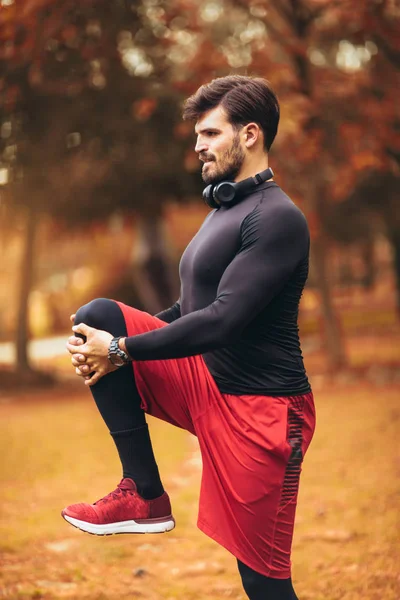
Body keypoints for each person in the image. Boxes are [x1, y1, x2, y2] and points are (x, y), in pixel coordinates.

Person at [63, 75, 316, 600]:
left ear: (249, 135)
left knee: (263, 581)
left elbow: (224, 319)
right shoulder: (223, 210)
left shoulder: (277, 219)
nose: (198, 145)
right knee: (99, 316)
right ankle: (145, 495)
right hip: (208, 383)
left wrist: (121, 350)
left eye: (210, 133)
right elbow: (189, 309)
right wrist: (119, 342)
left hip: (263, 411)